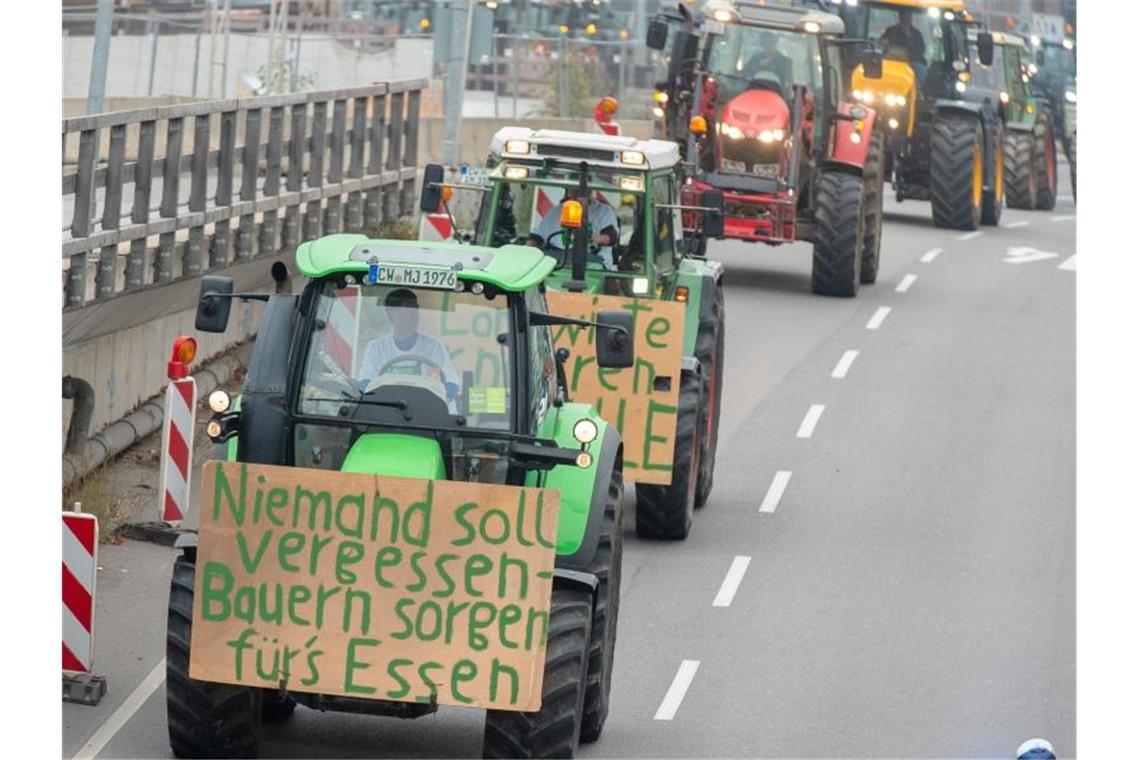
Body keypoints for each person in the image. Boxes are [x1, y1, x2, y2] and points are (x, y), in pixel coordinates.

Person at [357, 288, 461, 403]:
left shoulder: (434, 347)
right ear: (391, 313)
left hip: (426, 414)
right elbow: (364, 383)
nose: (414, 314)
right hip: (386, 411)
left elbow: (452, 383)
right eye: (407, 308)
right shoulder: (376, 348)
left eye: (415, 308)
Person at [527, 187, 619, 268]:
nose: (579, 192)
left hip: (594, 262)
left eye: (582, 189)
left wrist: (595, 239)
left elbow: (610, 236)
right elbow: (538, 236)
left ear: (590, 189)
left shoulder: (604, 211)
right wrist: (529, 248)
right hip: (557, 263)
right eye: (575, 189)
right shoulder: (555, 211)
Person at [881, 9, 928, 83]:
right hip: (889, 62)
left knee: (921, 69)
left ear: (910, 18)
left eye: (907, 16)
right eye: (903, 16)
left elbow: (921, 51)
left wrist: (909, 36)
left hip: (911, 63)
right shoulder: (891, 31)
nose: (905, 18)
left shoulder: (916, 34)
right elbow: (882, 44)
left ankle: (917, 90)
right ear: (899, 17)